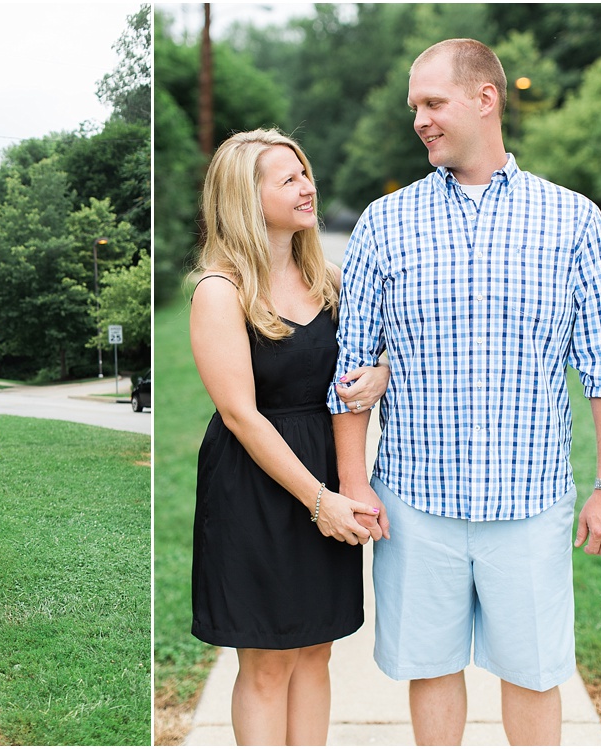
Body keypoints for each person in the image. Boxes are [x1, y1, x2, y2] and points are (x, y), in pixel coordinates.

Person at [327, 39, 601, 746]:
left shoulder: (573, 221)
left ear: (485, 99)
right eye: (415, 107)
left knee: (533, 674)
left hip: (530, 502)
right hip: (415, 501)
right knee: (431, 669)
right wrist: (353, 481)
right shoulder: (384, 223)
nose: (420, 120)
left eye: (433, 103)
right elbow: (351, 368)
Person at [189, 128, 391, 746]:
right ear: (246, 198)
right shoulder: (220, 291)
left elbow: (378, 353)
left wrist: (380, 373)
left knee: (316, 650)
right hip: (255, 486)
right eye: (289, 179)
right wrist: (319, 500)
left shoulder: (328, 279)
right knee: (269, 660)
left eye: (304, 173)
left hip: (325, 469)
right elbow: (241, 415)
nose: (307, 187)